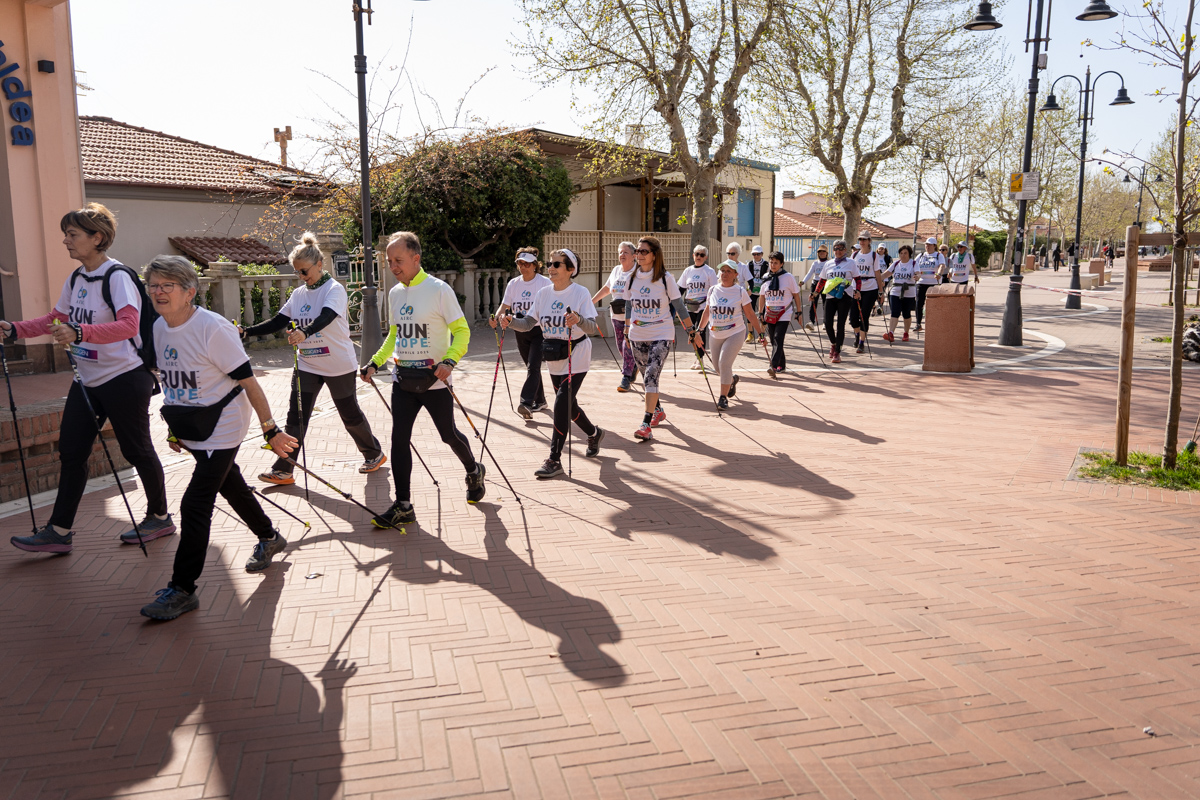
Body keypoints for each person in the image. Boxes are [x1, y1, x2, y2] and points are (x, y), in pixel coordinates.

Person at [3, 203, 172, 554]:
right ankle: (59, 531)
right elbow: (56, 318)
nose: (65, 240)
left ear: (97, 238)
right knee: (71, 452)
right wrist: (14, 329)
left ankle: (159, 517)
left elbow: (128, 325)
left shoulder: (117, 276)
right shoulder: (77, 277)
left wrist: (79, 332)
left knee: (136, 450)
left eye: (72, 234)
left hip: (124, 377)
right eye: (66, 234)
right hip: (87, 381)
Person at [138, 255, 298, 620]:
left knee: (195, 504)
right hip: (193, 424)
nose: (158, 292)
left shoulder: (212, 329)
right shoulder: (159, 327)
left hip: (224, 425)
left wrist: (271, 429)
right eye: (153, 285)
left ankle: (183, 589)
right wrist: (175, 428)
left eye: (167, 285)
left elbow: (249, 382)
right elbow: (173, 382)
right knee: (230, 483)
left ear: (189, 291)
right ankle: (269, 537)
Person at [361, 232, 484, 529]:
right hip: (403, 380)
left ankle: (473, 469)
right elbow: (394, 334)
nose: (393, 266)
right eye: (389, 261)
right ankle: (403, 505)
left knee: (448, 434)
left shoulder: (439, 290)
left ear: (416, 258)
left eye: (398, 260)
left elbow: (462, 330)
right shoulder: (394, 293)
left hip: (434, 381)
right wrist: (375, 362)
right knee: (398, 439)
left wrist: (450, 361)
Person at [241, 232, 384, 486]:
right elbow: (278, 321)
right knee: (295, 417)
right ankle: (284, 469)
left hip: (337, 364)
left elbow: (326, 317)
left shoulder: (334, 289)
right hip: (307, 364)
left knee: (350, 415)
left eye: (304, 271)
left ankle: (374, 454)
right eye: (297, 272)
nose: (301, 276)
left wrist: (304, 332)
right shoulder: (299, 294)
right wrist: (246, 332)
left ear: (319, 264)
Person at [503, 249, 603, 478]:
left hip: (576, 354)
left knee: (560, 404)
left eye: (557, 264)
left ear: (571, 269)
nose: (551, 267)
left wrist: (578, 319)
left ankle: (554, 459)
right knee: (569, 406)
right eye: (550, 263)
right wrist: (510, 322)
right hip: (554, 356)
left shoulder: (580, 293)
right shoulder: (543, 293)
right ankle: (594, 433)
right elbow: (528, 323)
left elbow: (592, 327)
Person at [614, 235, 697, 441]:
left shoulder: (665, 278)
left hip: (662, 333)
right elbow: (629, 305)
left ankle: (645, 424)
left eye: (644, 251)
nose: (639, 255)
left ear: (654, 255)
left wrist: (692, 331)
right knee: (647, 377)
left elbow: (679, 307)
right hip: (637, 334)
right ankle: (658, 410)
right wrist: (626, 329)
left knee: (651, 375)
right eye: (638, 251)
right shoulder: (631, 278)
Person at [693, 260, 766, 408]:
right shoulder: (712, 290)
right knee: (718, 368)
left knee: (724, 363)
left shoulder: (740, 291)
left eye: (729, 271)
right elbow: (707, 312)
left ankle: (723, 397)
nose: (725, 274)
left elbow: (750, 314)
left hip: (735, 332)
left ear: (735, 274)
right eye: (722, 271)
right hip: (715, 333)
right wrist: (699, 331)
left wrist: (761, 333)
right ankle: (731, 380)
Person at [493, 247, 552, 417]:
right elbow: (505, 305)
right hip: (519, 329)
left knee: (533, 367)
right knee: (531, 367)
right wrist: (496, 318)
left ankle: (526, 403)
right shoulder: (514, 283)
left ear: (535, 265)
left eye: (527, 263)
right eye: (520, 263)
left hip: (539, 331)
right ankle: (540, 401)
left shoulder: (544, 283)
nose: (523, 267)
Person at [591, 241, 639, 392]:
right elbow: (607, 289)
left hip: (633, 316)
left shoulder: (638, 272)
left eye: (625, 252)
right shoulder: (616, 270)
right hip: (616, 314)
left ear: (634, 255)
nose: (622, 255)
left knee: (627, 344)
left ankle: (626, 377)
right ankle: (633, 365)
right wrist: (591, 302)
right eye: (620, 252)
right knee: (620, 346)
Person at [758, 251, 803, 378]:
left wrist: (799, 312)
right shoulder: (766, 277)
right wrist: (761, 312)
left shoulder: (788, 277)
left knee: (778, 338)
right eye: (771, 262)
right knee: (774, 340)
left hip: (784, 313)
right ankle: (781, 365)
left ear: (782, 264)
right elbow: (762, 296)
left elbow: (796, 295)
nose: (773, 265)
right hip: (770, 313)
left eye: (776, 263)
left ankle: (772, 365)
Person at [817, 240, 860, 364]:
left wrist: (858, 291)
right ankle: (833, 343)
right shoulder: (828, 264)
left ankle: (837, 352)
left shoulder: (851, 263)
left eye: (841, 248)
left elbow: (857, 279)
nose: (838, 251)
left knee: (840, 325)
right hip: (830, 296)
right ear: (833, 250)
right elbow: (822, 280)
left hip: (845, 296)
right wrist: (815, 293)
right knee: (827, 323)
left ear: (845, 250)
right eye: (836, 248)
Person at [679, 244, 718, 370]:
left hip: (703, 306)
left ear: (706, 257)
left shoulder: (709, 271)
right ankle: (697, 356)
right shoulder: (688, 271)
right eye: (697, 254)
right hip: (690, 306)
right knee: (691, 332)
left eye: (702, 255)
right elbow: (681, 289)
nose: (699, 257)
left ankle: (700, 358)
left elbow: (714, 290)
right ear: (693, 256)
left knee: (699, 331)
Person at [850, 233, 885, 354]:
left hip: (870, 288)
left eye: (864, 239)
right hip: (856, 288)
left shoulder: (874, 255)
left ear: (869, 241)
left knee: (864, 316)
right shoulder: (854, 255)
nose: (862, 241)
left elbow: (878, 274)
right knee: (853, 318)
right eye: (860, 239)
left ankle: (861, 342)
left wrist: (881, 291)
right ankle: (857, 335)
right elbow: (850, 271)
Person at [881, 244, 918, 342]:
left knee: (906, 313)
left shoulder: (913, 263)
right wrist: (876, 278)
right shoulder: (896, 263)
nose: (903, 255)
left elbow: (918, 273)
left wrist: (917, 277)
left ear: (909, 254)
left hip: (909, 292)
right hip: (895, 291)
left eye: (905, 253)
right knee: (895, 312)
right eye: (901, 253)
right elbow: (886, 273)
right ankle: (891, 333)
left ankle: (906, 333)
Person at [914, 237, 945, 332]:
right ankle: (918, 324)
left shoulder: (938, 255)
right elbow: (914, 264)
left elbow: (942, 265)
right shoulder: (921, 255)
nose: (927, 246)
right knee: (918, 303)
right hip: (921, 282)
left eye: (929, 244)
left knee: (934, 305)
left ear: (934, 246)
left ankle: (934, 323)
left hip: (933, 283)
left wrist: (939, 273)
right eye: (926, 244)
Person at [803, 244, 831, 332]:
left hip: (826, 284)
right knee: (813, 303)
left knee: (826, 303)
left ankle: (825, 322)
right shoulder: (815, 263)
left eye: (823, 251)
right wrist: (803, 281)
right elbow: (809, 273)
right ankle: (811, 322)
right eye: (820, 252)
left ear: (826, 253)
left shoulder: (829, 263)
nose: (822, 253)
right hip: (815, 284)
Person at [745, 244, 770, 340]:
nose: (756, 256)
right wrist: (748, 289)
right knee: (749, 311)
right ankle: (750, 334)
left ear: (762, 254)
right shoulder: (749, 264)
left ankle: (762, 334)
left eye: (758, 254)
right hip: (752, 291)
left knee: (763, 312)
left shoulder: (767, 264)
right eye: (754, 254)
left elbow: (770, 277)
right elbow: (746, 276)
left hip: (763, 291)